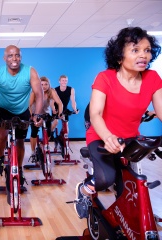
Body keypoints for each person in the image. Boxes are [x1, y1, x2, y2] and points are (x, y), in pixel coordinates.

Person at [74, 26, 162, 219]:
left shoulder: (153, 78)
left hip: (131, 137)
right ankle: (83, 190)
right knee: (106, 178)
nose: (143, 55)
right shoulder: (105, 78)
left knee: (129, 188)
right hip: (101, 135)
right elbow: (95, 114)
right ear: (120, 56)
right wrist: (108, 137)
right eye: (135, 50)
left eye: (147, 50)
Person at [0, 45, 43, 185]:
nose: (14, 59)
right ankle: (1, 158)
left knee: (20, 141)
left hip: (22, 110)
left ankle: (19, 169)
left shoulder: (30, 71)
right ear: (4, 58)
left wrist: (37, 114)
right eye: (10, 55)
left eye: (17, 55)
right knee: (1, 135)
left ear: (21, 57)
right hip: (3, 109)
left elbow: (39, 95)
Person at [29, 76, 63, 156]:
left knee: (48, 134)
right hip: (35, 114)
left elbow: (60, 103)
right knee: (34, 133)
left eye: (46, 84)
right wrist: (32, 116)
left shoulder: (52, 91)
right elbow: (29, 105)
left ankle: (41, 145)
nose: (43, 86)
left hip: (46, 115)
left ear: (49, 85)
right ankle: (33, 152)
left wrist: (59, 114)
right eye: (42, 84)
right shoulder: (34, 92)